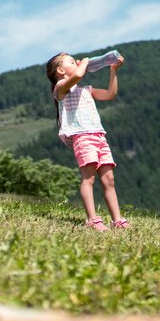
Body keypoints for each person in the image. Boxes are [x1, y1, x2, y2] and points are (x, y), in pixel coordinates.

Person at [46, 51, 130, 231]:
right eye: (71, 61)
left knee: (109, 179)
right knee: (89, 177)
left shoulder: (87, 90)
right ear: (61, 70)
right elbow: (78, 75)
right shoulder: (60, 88)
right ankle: (92, 219)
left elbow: (110, 94)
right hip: (82, 136)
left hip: (99, 135)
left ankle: (118, 220)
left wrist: (113, 70)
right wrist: (84, 62)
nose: (76, 61)